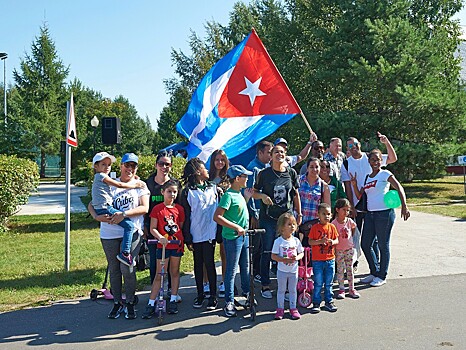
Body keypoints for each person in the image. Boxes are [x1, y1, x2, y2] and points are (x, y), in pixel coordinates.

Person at [88, 153, 149, 319]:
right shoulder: (109, 180)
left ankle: (129, 302)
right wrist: (96, 216)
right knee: (114, 270)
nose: (129, 168)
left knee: (127, 268)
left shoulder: (140, 185)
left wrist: (124, 214)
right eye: (126, 165)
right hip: (109, 233)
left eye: (133, 166)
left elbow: (144, 208)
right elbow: (91, 203)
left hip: (132, 232)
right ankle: (117, 302)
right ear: (120, 166)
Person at [351, 149, 410, 287]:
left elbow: (399, 187)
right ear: (369, 161)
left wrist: (404, 206)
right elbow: (361, 195)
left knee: (383, 245)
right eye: (373, 160)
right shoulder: (368, 177)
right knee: (365, 244)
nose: (376, 162)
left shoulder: (385, 174)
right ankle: (374, 271)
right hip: (370, 215)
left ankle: (382, 275)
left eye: (378, 160)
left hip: (384, 214)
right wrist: (354, 185)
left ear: (381, 161)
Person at [253, 144, 302, 299]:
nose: (279, 154)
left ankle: (287, 288)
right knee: (267, 250)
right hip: (268, 218)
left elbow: (295, 194)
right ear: (271, 156)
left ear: (285, 154)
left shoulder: (291, 173)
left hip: (286, 218)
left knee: (288, 250)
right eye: (276, 152)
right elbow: (254, 192)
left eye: (281, 152)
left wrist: (299, 213)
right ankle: (265, 285)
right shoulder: (264, 174)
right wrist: (262, 197)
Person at [91, 152, 145, 267]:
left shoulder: (102, 179)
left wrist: (135, 181)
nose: (106, 167)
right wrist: (135, 185)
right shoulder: (103, 177)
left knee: (126, 270)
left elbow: (145, 208)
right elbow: (120, 185)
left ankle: (125, 253)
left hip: (104, 208)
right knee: (130, 226)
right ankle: (125, 253)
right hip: (106, 211)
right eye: (103, 164)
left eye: (109, 165)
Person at [214, 165, 254, 317]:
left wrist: (247, 199)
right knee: (231, 270)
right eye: (245, 176)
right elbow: (217, 216)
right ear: (237, 178)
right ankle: (229, 301)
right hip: (233, 238)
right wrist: (236, 227)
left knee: (245, 267)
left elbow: (238, 212)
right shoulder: (228, 195)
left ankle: (247, 295)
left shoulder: (239, 194)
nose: (247, 179)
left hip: (244, 236)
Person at [180, 158, 219, 310]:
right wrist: (187, 237)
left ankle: (213, 296)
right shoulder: (188, 191)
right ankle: (200, 293)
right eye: (204, 168)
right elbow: (186, 215)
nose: (207, 170)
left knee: (210, 263)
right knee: (198, 264)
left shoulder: (213, 188)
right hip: (196, 233)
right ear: (197, 172)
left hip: (210, 232)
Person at [142, 180, 185, 318]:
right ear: (162, 192)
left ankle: (173, 298)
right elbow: (152, 228)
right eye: (169, 191)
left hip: (176, 245)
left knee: (175, 272)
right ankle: (151, 302)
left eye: (174, 192)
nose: (172, 194)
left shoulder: (179, 209)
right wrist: (160, 237)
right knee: (160, 275)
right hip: (163, 246)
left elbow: (180, 226)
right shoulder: (157, 209)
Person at [144, 150, 181, 288]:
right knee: (155, 263)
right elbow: (143, 207)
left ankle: (172, 292)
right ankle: (155, 292)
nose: (164, 167)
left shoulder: (175, 184)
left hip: (171, 231)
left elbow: (179, 208)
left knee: (172, 264)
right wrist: (145, 226)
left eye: (167, 164)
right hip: (153, 230)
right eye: (161, 163)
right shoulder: (148, 183)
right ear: (156, 165)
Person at [247, 140, 273, 284]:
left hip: (264, 212)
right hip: (256, 212)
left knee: (263, 244)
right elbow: (250, 192)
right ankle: (255, 272)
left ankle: (258, 271)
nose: (270, 155)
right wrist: (254, 214)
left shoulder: (264, 168)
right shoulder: (254, 169)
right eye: (268, 152)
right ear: (260, 152)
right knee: (256, 245)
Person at [271, 212, 304, 320]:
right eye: (289, 224)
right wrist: (283, 259)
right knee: (281, 290)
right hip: (282, 271)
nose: (292, 226)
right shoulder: (278, 241)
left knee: (293, 290)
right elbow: (273, 256)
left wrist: (297, 258)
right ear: (282, 227)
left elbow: (301, 253)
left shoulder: (296, 241)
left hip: (293, 271)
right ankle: (280, 309)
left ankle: (293, 308)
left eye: (293, 224)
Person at [308, 203, 339, 313]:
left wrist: (332, 242)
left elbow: (337, 240)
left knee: (329, 282)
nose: (326, 216)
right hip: (318, 260)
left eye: (328, 214)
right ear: (318, 215)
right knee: (318, 282)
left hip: (330, 259)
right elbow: (310, 241)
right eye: (324, 214)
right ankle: (316, 302)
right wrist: (319, 242)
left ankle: (328, 301)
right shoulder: (315, 228)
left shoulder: (332, 227)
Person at [208, 149, 230, 298]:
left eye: (222, 160)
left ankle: (225, 281)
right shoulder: (206, 178)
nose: (220, 163)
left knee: (224, 252)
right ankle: (206, 282)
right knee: (208, 254)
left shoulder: (229, 179)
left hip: (224, 218)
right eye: (217, 160)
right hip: (207, 219)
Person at [298, 157, 331, 245]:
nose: (314, 169)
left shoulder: (324, 186)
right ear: (307, 168)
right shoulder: (298, 181)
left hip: (313, 225)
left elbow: (327, 208)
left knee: (311, 254)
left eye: (317, 167)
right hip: (297, 221)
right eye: (311, 167)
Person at [332, 198, 360, 299]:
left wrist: (350, 241)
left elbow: (353, 230)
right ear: (337, 210)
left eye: (348, 210)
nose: (346, 212)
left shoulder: (349, 221)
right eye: (344, 209)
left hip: (349, 249)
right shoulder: (334, 224)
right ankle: (341, 289)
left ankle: (351, 289)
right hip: (339, 250)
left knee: (350, 269)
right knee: (340, 270)